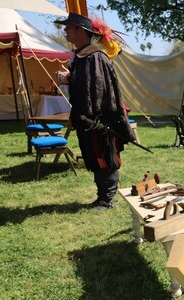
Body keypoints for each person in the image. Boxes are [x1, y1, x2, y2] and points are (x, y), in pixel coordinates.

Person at [55, 13, 133, 211]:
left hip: (99, 120)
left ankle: (107, 200)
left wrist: (95, 118)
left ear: (80, 31)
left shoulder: (95, 57)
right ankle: (101, 197)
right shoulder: (83, 56)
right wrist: (70, 79)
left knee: (105, 157)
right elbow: (86, 85)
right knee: (94, 156)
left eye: (69, 27)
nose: (65, 30)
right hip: (87, 119)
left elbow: (100, 89)